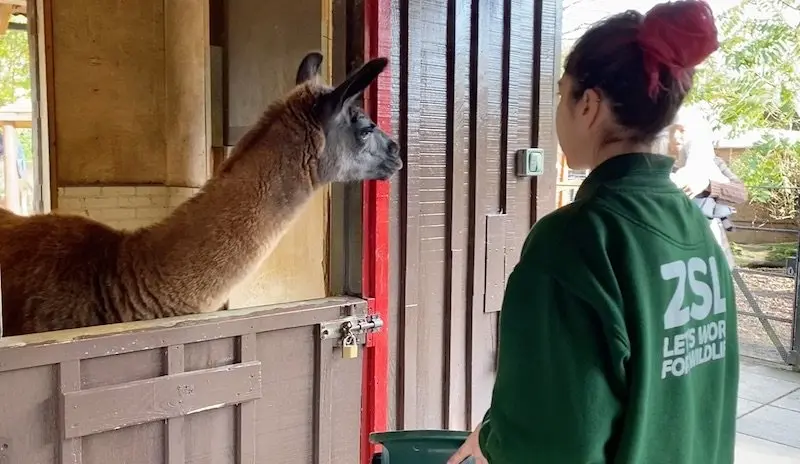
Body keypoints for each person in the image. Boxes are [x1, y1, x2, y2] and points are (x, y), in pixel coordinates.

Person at [448, 1, 738, 463]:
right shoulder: (695, 230)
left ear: (589, 104)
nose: (558, 112)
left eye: (563, 94)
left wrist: (501, 444)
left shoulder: (575, 242)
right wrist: (492, 432)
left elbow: (555, 443)